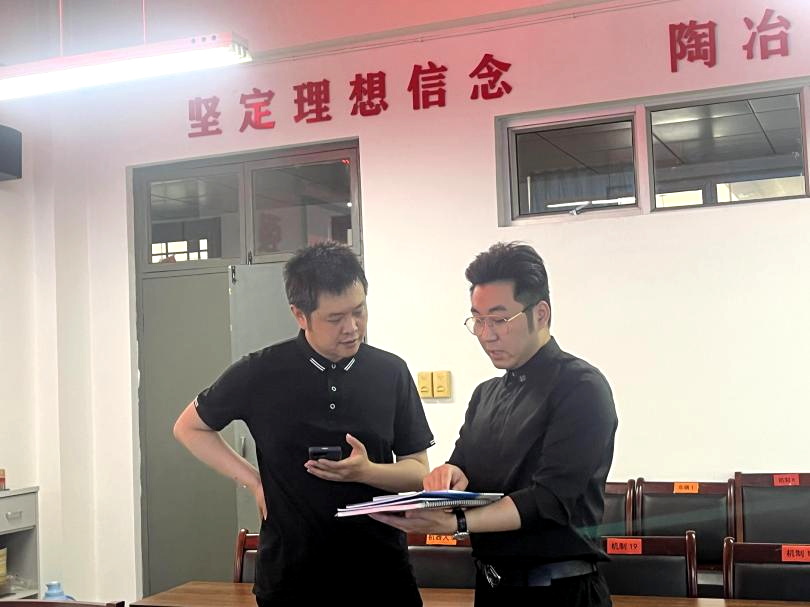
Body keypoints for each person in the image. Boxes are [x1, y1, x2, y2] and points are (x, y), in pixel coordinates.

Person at [173, 241, 434, 607]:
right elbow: (189, 427)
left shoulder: (391, 372)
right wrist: (254, 481)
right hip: (291, 580)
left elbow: (418, 473)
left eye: (359, 311)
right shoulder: (260, 372)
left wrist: (367, 471)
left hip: (381, 576)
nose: (352, 327)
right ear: (300, 315)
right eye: (335, 318)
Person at [372, 242, 617, 606]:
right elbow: (462, 466)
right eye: (478, 319)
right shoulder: (485, 394)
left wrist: (457, 524)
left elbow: (550, 500)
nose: (487, 334)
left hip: (559, 591)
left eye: (500, 320)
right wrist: (447, 477)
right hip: (491, 586)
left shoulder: (581, 387)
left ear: (541, 314)